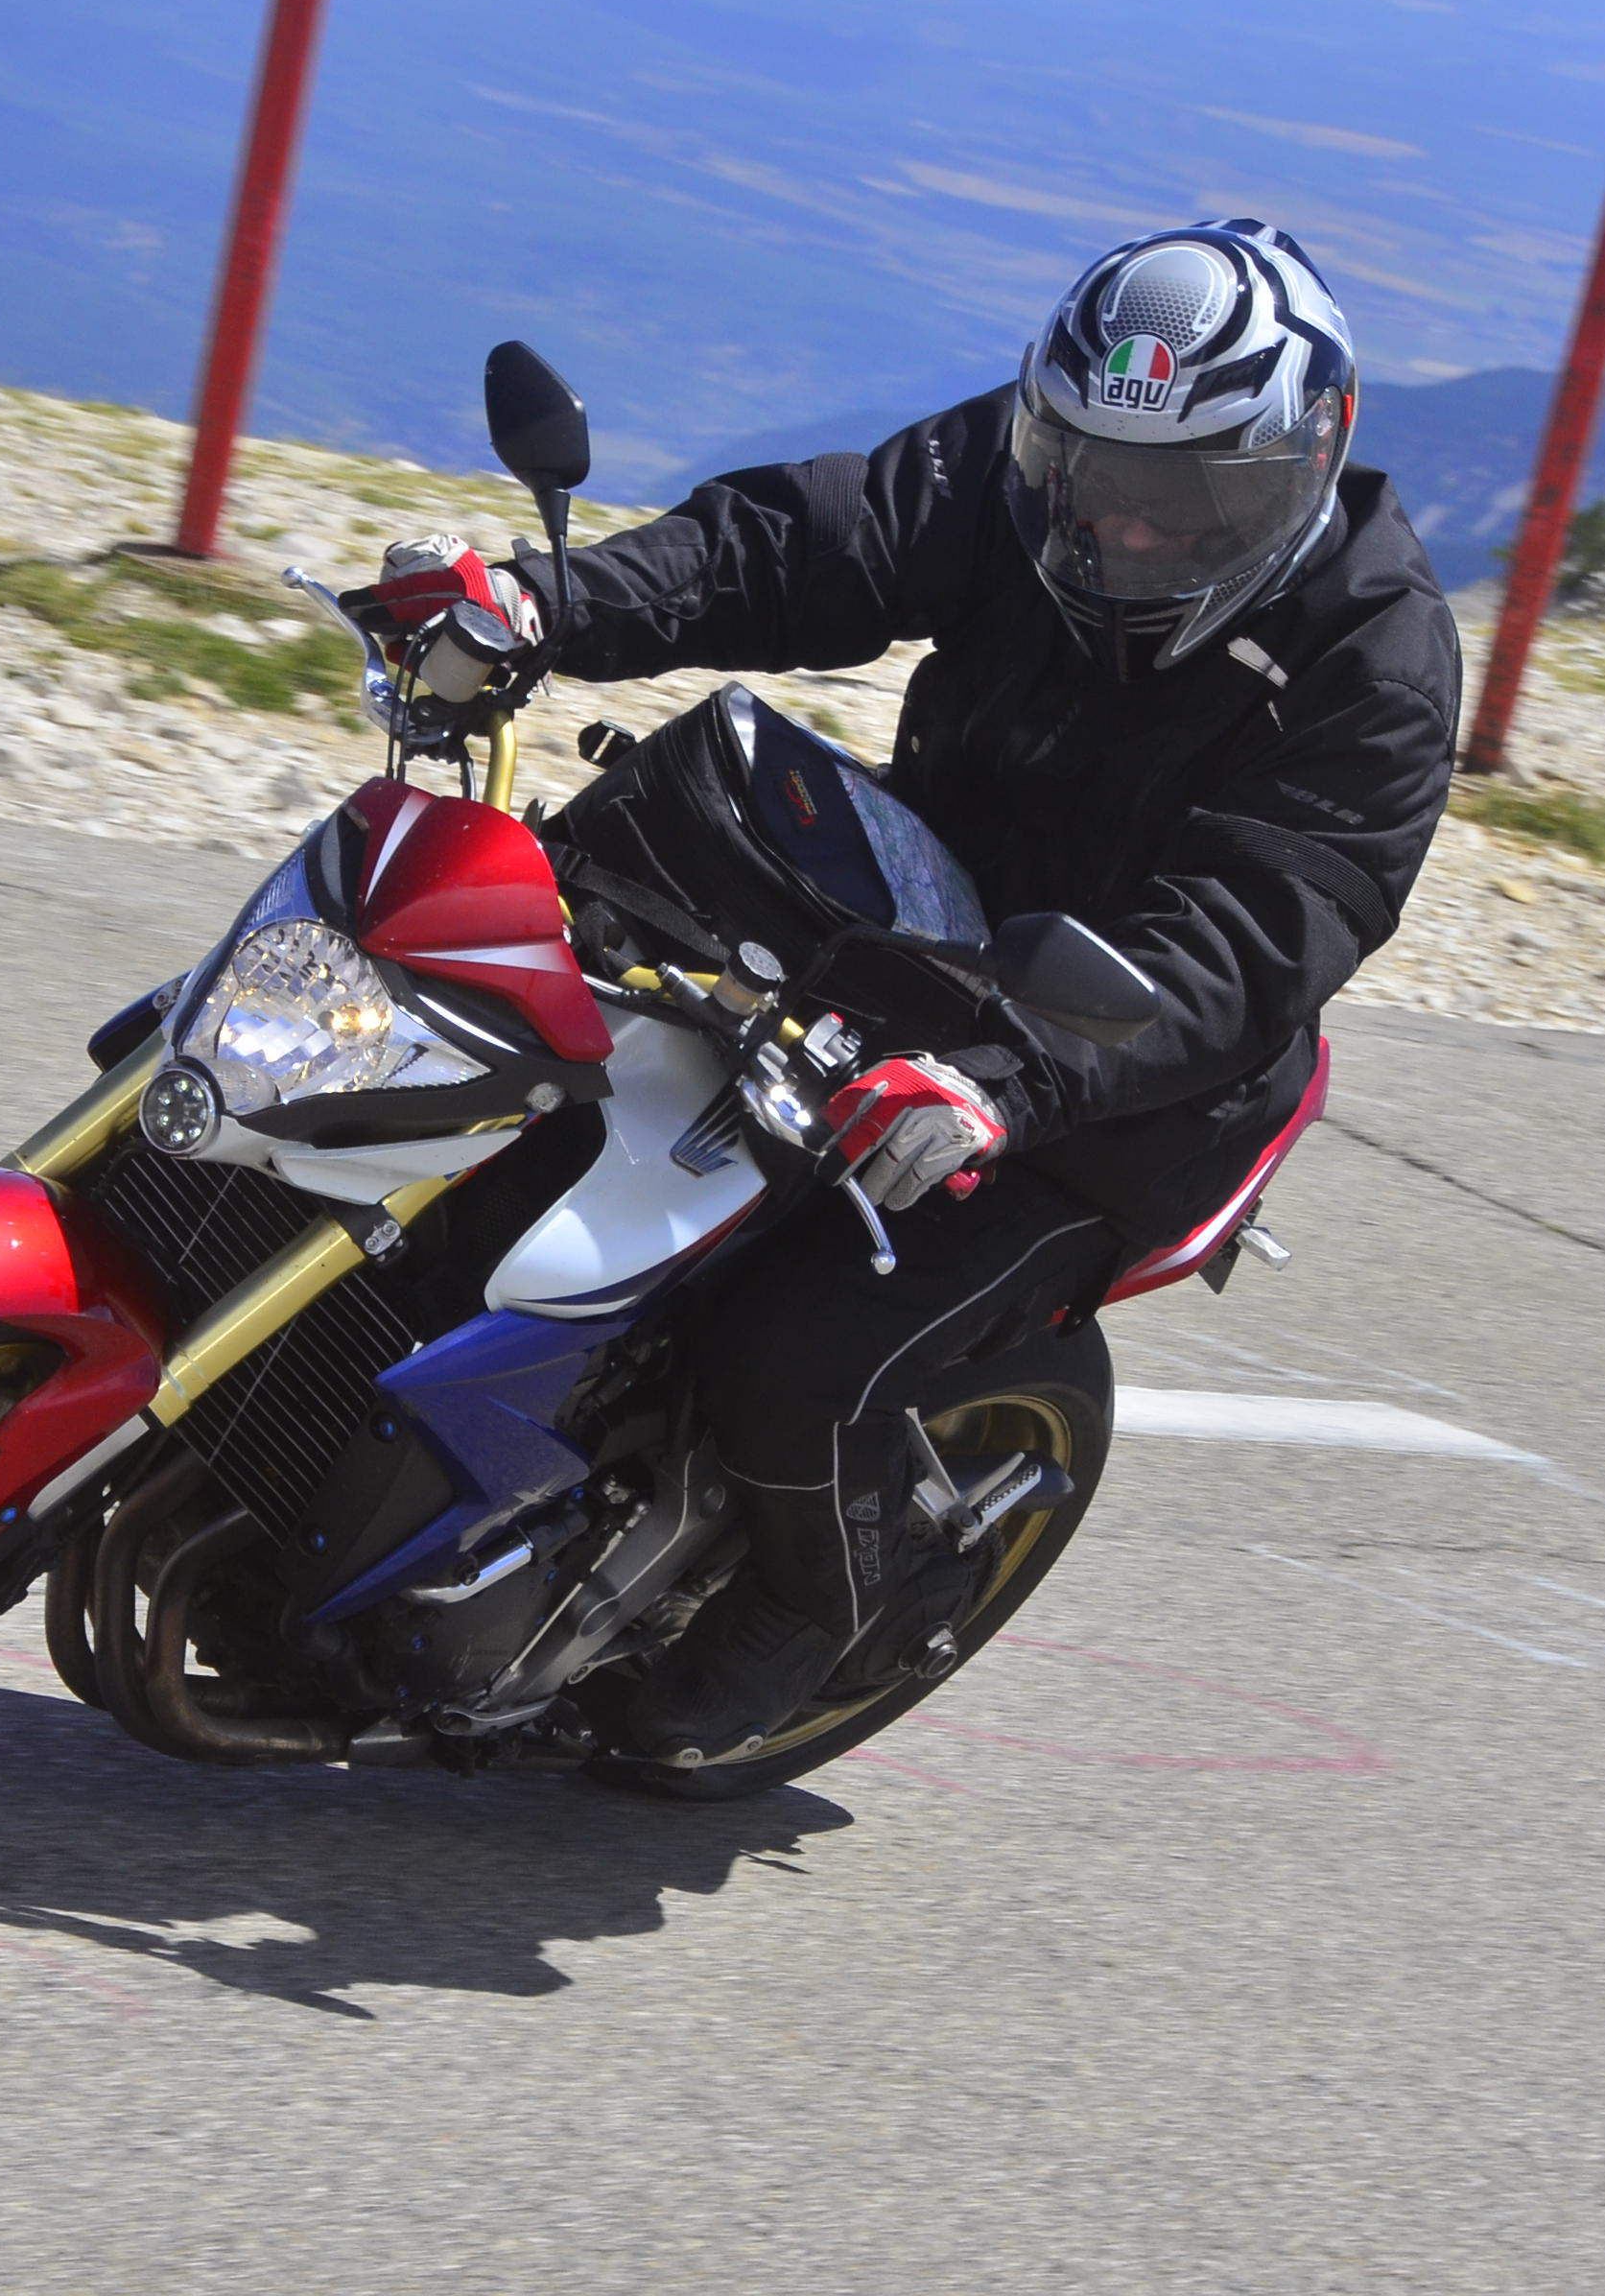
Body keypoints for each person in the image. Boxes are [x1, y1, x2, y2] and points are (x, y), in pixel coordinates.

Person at [358, 219, 1461, 1764]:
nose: (1127, 531)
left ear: (1298, 462)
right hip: (906, 929)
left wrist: (1008, 1085)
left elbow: (1257, 936)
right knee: (527, 1070)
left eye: (1188, 500)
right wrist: (552, 606)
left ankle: (817, 1611)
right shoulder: (1036, 481)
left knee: (792, 1348)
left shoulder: (1376, 665)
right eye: (1095, 479)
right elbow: (806, 545)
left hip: (1119, 1074)